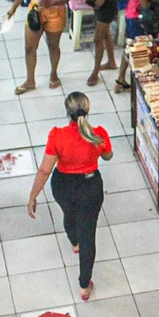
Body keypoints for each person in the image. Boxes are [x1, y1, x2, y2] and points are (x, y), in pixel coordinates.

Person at [27, 92, 113, 301]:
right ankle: (84, 285)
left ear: (67, 112)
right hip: (90, 187)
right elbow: (108, 156)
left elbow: (45, 170)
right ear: (88, 110)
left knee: (69, 212)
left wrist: (33, 195)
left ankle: (74, 242)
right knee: (88, 234)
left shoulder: (57, 135)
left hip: (63, 185)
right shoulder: (98, 133)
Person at [114, 0, 159, 93]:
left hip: (140, 17)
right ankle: (138, 82)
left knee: (131, 48)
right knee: (138, 50)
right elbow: (144, 5)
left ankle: (121, 80)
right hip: (136, 19)